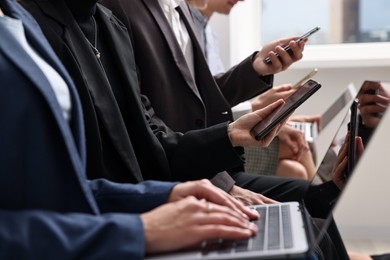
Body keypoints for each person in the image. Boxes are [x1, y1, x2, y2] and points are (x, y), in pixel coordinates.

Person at [0, 0, 261, 258]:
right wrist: (139, 231)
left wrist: (158, 196)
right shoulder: (34, 24)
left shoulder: (105, 24)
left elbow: (69, 188)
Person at [20, 0, 314, 208]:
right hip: (117, 212)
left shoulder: (110, 24)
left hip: (151, 193)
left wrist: (231, 133)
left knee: (305, 229)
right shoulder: (29, 29)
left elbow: (153, 138)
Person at [189, 0, 318, 180]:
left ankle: (318, 202)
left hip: (220, 124)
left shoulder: (209, 34)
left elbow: (213, 96)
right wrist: (255, 108)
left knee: (294, 169)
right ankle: (326, 203)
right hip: (206, 135)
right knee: (297, 147)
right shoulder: (183, 31)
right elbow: (196, 105)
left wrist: (266, 112)